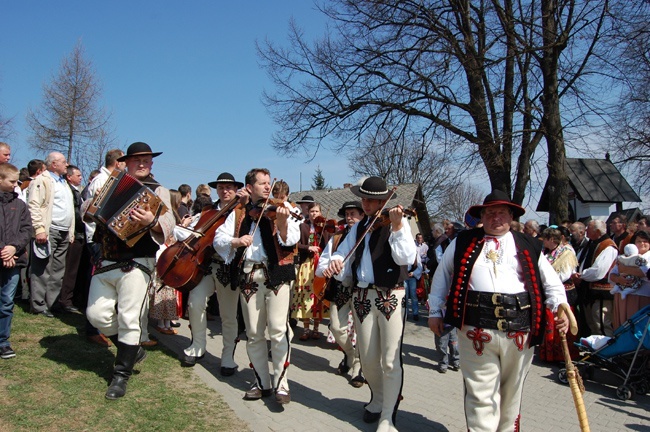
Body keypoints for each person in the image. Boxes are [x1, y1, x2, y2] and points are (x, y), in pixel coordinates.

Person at [428, 190, 568, 432]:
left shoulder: (529, 244)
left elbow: (551, 281)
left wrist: (561, 308)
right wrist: (434, 311)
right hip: (475, 330)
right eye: (490, 213)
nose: (495, 218)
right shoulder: (463, 241)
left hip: (520, 330)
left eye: (501, 212)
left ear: (511, 216)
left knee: (511, 393)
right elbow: (442, 275)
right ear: (482, 215)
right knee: (480, 393)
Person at [324, 176, 416, 431]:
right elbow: (344, 253)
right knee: (367, 357)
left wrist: (397, 228)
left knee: (389, 358)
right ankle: (377, 398)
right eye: (363, 198)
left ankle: (388, 414)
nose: (365, 204)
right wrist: (336, 262)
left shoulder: (397, 222)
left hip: (390, 296)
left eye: (371, 200)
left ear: (383, 200)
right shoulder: (359, 225)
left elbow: (406, 258)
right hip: (362, 296)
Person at [85, 142, 174, 400]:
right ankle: (132, 349)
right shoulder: (109, 183)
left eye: (147, 159)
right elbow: (85, 209)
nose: (143, 163)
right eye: (137, 160)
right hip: (107, 258)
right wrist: (90, 208)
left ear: (152, 163)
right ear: (127, 162)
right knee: (96, 314)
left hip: (138, 261)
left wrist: (152, 222)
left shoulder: (159, 190)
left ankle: (120, 375)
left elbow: (168, 225)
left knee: (129, 318)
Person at [214, 168, 300, 405]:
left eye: (269, 183)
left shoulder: (283, 208)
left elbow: (291, 240)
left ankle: (282, 382)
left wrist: (282, 221)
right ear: (249, 187)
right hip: (249, 277)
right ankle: (261, 381)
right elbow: (218, 239)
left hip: (277, 275)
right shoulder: (239, 212)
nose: (267, 187)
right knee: (253, 332)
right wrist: (236, 241)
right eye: (262, 183)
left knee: (278, 330)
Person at [178, 172, 244, 377]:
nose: (225, 191)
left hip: (228, 266)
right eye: (221, 187)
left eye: (229, 187)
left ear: (235, 189)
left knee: (228, 314)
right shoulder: (208, 210)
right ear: (216, 189)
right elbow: (191, 230)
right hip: (205, 264)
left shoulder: (243, 211)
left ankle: (227, 357)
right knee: (195, 303)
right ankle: (197, 346)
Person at [316, 200, 365, 387]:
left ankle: (358, 367)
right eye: (347, 214)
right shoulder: (337, 237)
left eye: (354, 213)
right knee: (336, 327)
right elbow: (323, 263)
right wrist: (328, 269)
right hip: (342, 288)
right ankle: (350, 355)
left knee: (362, 330)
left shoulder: (368, 235)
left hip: (362, 288)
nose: (349, 217)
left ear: (362, 216)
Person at [82, 149, 125, 347]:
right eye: (123, 161)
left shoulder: (109, 179)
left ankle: (100, 328)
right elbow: (92, 211)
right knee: (98, 286)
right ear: (117, 163)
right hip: (98, 238)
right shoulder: (102, 181)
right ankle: (93, 329)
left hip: (101, 238)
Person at [27, 151, 74, 317]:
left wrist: (71, 231)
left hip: (63, 231)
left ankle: (52, 303)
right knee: (42, 269)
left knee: (58, 270)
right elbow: (34, 205)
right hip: (49, 231)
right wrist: (39, 229)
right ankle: (38, 305)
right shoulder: (42, 180)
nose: (66, 164)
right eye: (63, 162)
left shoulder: (63, 183)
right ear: (54, 164)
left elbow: (68, 208)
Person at [0, 163, 32, 359]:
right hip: (5, 256)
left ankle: (3, 341)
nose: (15, 185)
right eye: (12, 181)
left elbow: (27, 229)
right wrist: (3, 251)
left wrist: (13, 249)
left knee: (6, 302)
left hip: (13, 261)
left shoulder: (19, 205)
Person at [538, 226, 579, 362]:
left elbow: (565, 274)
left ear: (551, 239)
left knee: (561, 323)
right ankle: (550, 354)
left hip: (564, 294)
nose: (543, 242)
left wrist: (548, 279)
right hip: (549, 293)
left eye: (545, 239)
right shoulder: (547, 252)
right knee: (550, 323)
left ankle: (563, 356)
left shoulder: (567, 252)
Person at [571, 219, 618, 336]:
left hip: (602, 293)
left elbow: (599, 271)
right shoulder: (591, 244)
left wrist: (581, 275)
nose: (586, 230)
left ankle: (606, 352)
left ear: (597, 231)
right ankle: (596, 351)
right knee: (593, 325)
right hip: (590, 292)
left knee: (601, 324)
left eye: (589, 228)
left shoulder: (608, 246)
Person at [292, 201, 329, 340]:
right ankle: (306, 329)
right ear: (308, 212)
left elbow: (328, 245)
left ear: (320, 213)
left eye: (316, 211)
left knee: (318, 296)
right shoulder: (302, 226)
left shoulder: (324, 227)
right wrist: (308, 247)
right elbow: (295, 244)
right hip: (307, 265)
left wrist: (324, 230)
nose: (314, 214)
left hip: (320, 265)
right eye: (312, 211)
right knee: (306, 296)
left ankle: (316, 329)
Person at [58, 165, 85, 314]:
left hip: (79, 235)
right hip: (75, 235)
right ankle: (65, 300)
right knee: (69, 270)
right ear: (69, 177)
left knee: (75, 271)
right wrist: (85, 222)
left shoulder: (75, 191)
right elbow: (75, 213)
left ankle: (70, 299)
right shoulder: (69, 191)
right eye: (78, 175)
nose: (81, 178)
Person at [609, 230, 650, 329]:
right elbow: (612, 274)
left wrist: (624, 269)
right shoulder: (624, 256)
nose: (642, 244)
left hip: (641, 296)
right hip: (622, 296)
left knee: (637, 326)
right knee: (622, 325)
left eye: (645, 241)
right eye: (638, 241)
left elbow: (645, 272)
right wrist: (619, 279)